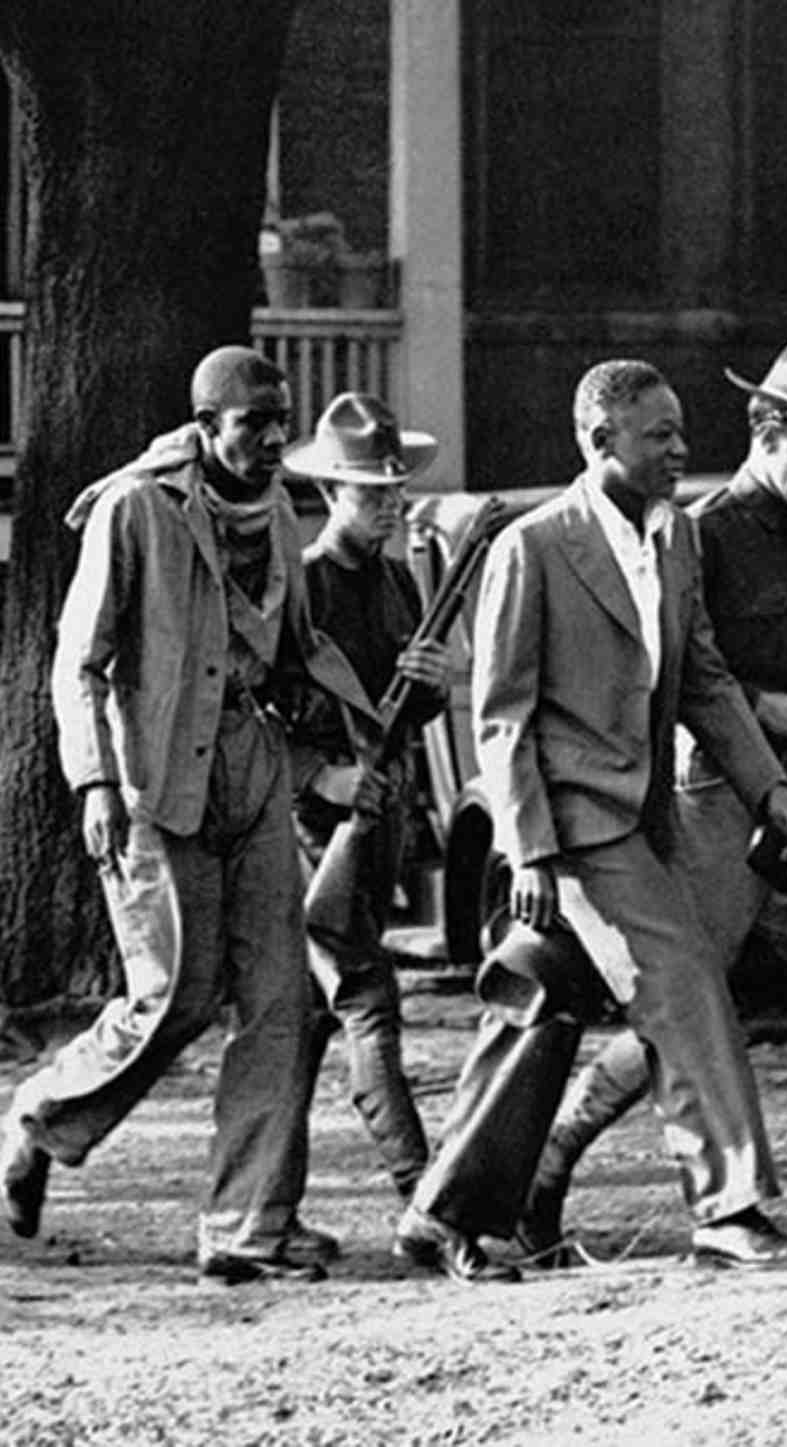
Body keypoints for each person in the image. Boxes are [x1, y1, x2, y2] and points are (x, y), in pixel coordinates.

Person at [394, 358, 787, 1284]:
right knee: (683, 980)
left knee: (540, 1010)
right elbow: (501, 717)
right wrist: (528, 848)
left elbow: (703, 679)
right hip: (578, 829)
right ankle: (729, 1206)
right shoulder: (533, 547)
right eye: (657, 434)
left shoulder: (671, 542)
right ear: (599, 443)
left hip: (647, 817)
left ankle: (445, 1213)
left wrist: (766, 788)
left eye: (679, 431)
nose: (679, 449)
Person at [0, 346, 377, 1284]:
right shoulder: (135, 510)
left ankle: (247, 1225)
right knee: (176, 993)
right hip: (153, 778)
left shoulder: (283, 510)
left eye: (281, 419)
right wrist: (92, 783)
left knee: (282, 1003)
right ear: (207, 426)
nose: (274, 439)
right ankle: (44, 1116)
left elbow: (292, 654)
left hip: (250, 772)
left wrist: (340, 744)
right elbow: (76, 662)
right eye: (254, 423)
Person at [516, 336, 787, 1263]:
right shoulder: (706, 529)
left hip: (785, 798)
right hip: (715, 797)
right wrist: (768, 710)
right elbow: (692, 673)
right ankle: (551, 1156)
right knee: (685, 1010)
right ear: (767, 428)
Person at [282, 390, 454, 1203]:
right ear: (328, 494)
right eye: (370, 492)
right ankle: (424, 1193)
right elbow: (247, 714)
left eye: (394, 491)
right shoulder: (299, 589)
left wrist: (432, 685)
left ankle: (256, 1209)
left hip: (375, 821)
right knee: (367, 997)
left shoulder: (396, 583)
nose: (388, 505)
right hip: (306, 832)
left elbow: (409, 710)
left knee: (305, 1027)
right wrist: (319, 775)